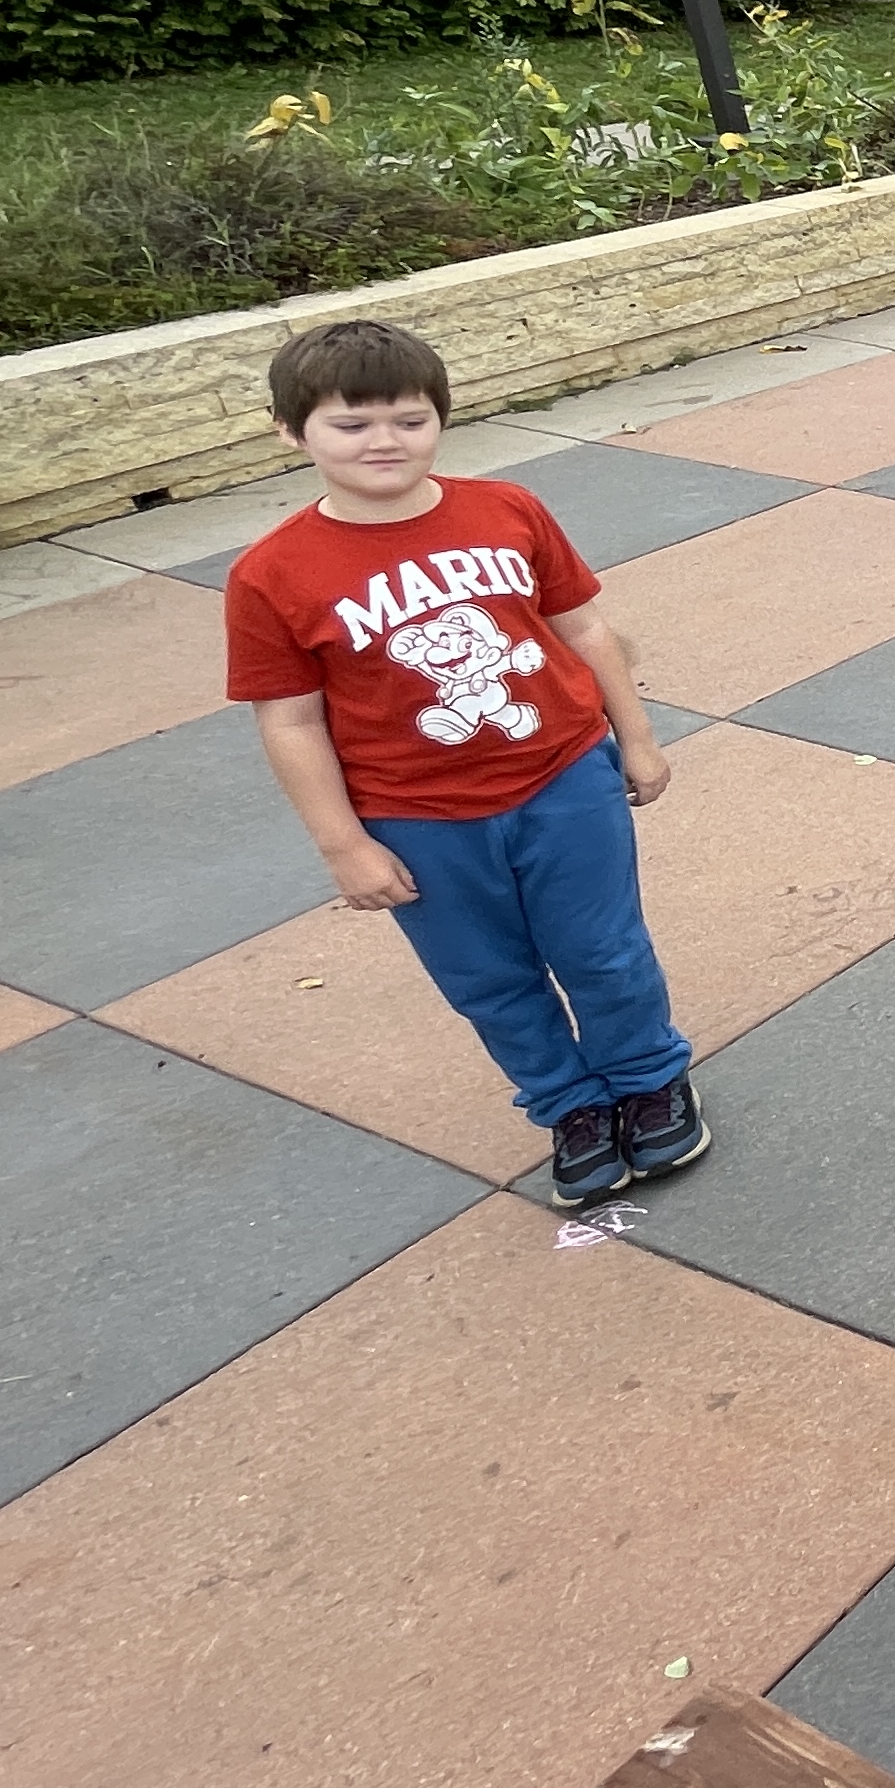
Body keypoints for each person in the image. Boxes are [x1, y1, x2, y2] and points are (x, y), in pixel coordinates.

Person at [225, 320, 702, 1208]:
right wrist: (343, 847)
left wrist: (634, 735)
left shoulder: (506, 510)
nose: (385, 442)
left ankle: (646, 1078)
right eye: (351, 424)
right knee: (488, 977)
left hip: (563, 779)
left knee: (602, 952)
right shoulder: (271, 573)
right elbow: (290, 722)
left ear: (440, 419)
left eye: (409, 420)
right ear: (293, 432)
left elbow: (586, 630)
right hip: (417, 819)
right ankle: (570, 1105)